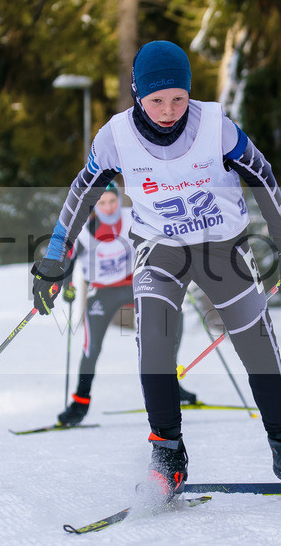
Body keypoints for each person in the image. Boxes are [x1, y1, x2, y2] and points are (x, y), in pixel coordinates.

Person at [31, 40, 281, 496]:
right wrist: (55, 260)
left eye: (178, 99)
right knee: (155, 338)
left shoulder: (215, 126)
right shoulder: (115, 137)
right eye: (156, 100)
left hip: (221, 244)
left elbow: (262, 174)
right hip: (159, 247)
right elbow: (82, 192)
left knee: (257, 344)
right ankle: (167, 454)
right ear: (136, 94)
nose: (168, 110)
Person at [56, 181, 198, 427]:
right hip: (102, 291)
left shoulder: (131, 217)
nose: (109, 207)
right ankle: (80, 403)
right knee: (91, 347)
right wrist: (67, 285)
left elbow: (160, 235)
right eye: (102, 203)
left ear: (119, 200)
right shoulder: (85, 230)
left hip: (136, 284)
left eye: (112, 201)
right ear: (95, 205)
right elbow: (67, 258)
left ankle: (171, 384)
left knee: (174, 317)